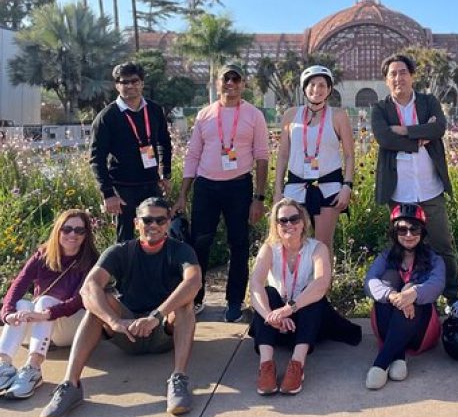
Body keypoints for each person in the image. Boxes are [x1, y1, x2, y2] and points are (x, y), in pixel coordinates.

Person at [39, 197, 202, 417]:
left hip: (162, 331)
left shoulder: (181, 250)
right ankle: (70, 385)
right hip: (126, 331)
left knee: (185, 303)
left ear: (168, 222)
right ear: (136, 223)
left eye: (160, 220)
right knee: (97, 304)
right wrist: (114, 321)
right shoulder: (120, 251)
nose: (153, 225)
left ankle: (179, 378)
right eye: (147, 220)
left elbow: (193, 282)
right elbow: (89, 287)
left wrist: (156, 317)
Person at [371, 53, 458, 321]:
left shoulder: (428, 102)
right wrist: (418, 136)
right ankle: (413, 298)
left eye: (403, 72)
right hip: (399, 193)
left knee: (442, 244)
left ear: (412, 75)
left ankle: (453, 299)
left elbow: (438, 127)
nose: (398, 78)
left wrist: (403, 131)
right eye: (392, 73)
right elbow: (383, 138)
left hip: (430, 189)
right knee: (404, 246)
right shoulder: (380, 108)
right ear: (386, 80)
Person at [175, 62, 269, 320]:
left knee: (238, 244)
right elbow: (193, 154)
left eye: (235, 79)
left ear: (243, 84)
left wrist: (258, 198)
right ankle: (195, 297)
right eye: (225, 79)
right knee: (199, 244)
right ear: (216, 83)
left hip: (239, 186)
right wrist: (183, 193)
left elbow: (262, 157)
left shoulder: (254, 115)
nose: (230, 83)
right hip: (206, 186)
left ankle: (234, 301)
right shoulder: (204, 115)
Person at [0, 209, 99, 401]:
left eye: (79, 231)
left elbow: (78, 300)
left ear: (86, 235)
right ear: (58, 230)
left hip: (70, 326)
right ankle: (3, 365)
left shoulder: (92, 261)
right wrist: (8, 314)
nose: (72, 235)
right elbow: (17, 286)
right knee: (21, 304)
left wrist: (46, 314)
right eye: (67, 229)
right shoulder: (42, 255)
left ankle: (33, 368)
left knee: (44, 301)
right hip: (41, 328)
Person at [249, 198, 360, 395]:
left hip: (307, 321)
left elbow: (321, 284)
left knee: (312, 295)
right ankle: (266, 365)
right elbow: (256, 283)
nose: (289, 224)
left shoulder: (317, 248)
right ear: (276, 225)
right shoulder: (269, 249)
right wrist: (270, 316)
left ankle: (297, 364)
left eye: (294, 219)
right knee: (268, 293)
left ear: (303, 222)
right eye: (283, 220)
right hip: (278, 324)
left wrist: (289, 309)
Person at [274, 65, 355, 261]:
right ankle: (295, 289)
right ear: (304, 88)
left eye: (322, 85)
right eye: (312, 85)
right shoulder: (291, 115)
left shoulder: (338, 116)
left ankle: (323, 290)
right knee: (292, 243)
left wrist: (347, 186)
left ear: (328, 90)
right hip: (296, 188)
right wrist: (277, 190)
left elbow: (349, 155)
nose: (316, 90)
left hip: (327, 188)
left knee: (323, 245)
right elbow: (283, 154)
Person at [364, 203, 445, 390]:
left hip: (421, 330)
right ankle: (398, 355)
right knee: (388, 281)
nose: (408, 235)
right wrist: (393, 296)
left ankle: (381, 362)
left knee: (410, 286)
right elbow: (370, 281)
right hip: (388, 321)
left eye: (414, 229)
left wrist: (412, 294)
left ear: (422, 232)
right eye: (402, 229)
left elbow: (437, 284)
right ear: (394, 232)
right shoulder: (386, 257)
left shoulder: (434, 259)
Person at [90, 62, 172, 243]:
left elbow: (164, 142)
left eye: (134, 81)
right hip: (122, 188)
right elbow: (97, 158)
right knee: (125, 240)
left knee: (156, 233)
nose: (129, 86)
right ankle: (124, 272)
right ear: (117, 85)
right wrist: (108, 193)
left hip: (151, 183)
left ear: (142, 83)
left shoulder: (154, 110)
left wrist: (165, 173)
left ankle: (154, 270)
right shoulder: (107, 116)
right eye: (124, 82)